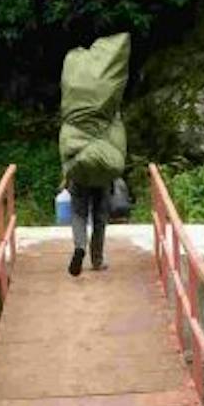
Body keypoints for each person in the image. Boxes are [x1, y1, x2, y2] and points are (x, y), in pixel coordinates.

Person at [58, 33, 129, 277]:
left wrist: (65, 171)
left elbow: (66, 139)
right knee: (100, 217)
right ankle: (97, 260)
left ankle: (79, 247)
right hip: (103, 169)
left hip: (79, 166)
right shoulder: (109, 111)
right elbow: (118, 136)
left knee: (78, 212)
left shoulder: (74, 111)